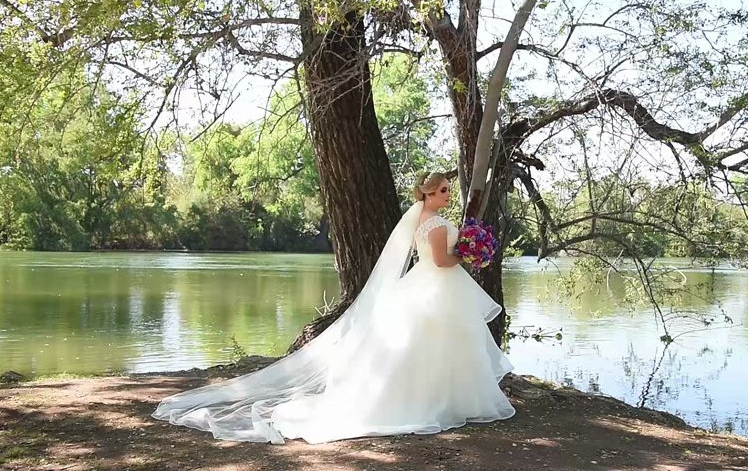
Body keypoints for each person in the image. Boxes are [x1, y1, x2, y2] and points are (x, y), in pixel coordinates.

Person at [152, 171, 515, 444]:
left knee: (434, 344)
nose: (448, 195)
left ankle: (445, 399)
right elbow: (439, 261)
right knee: (437, 341)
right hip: (436, 285)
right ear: (429, 193)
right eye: (443, 191)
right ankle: (439, 401)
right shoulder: (434, 223)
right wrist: (467, 255)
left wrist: (466, 250)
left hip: (429, 287)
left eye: (448, 190)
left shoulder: (423, 218)